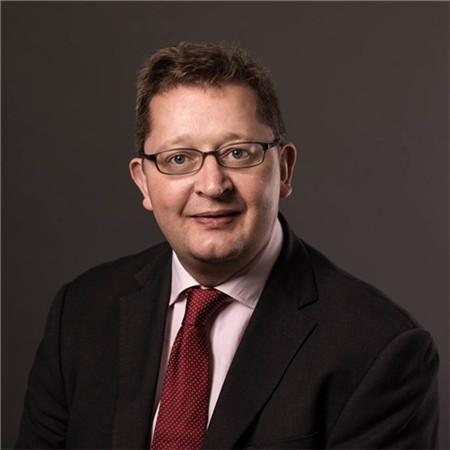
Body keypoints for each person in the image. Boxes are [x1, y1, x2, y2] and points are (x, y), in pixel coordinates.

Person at [16, 42, 439, 449]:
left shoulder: (378, 347)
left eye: (238, 153)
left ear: (284, 169)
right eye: (178, 158)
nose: (212, 185)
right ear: (143, 182)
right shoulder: (81, 312)